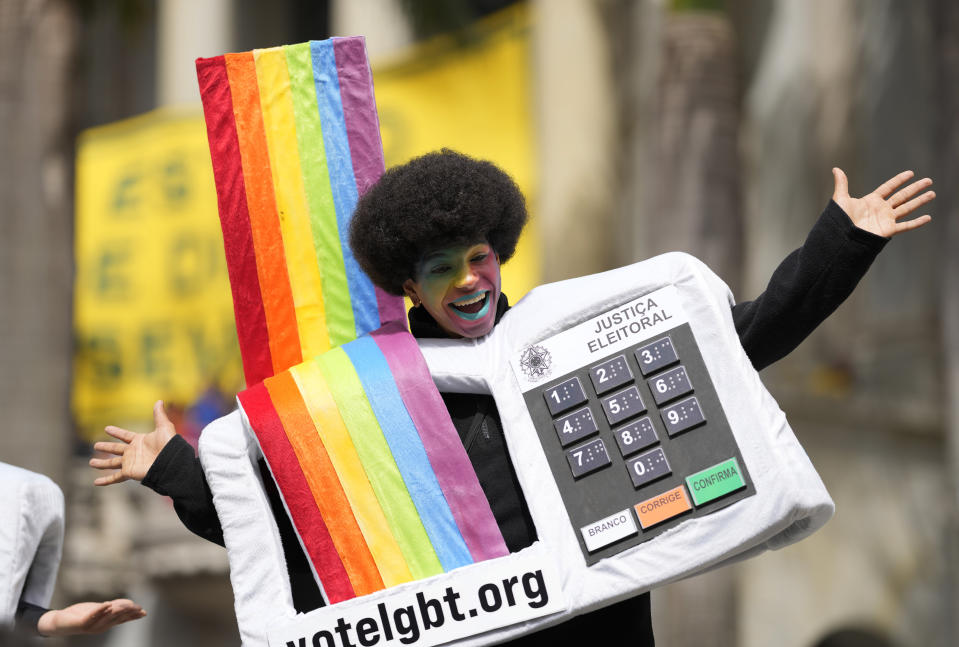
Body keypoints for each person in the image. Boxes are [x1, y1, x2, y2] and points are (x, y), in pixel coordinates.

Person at [90, 149, 934, 645]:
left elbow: (746, 341)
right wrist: (172, 467)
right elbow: (276, 525)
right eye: (440, 267)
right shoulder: (365, 391)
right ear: (407, 287)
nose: (467, 279)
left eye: (479, 256)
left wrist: (841, 242)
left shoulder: (568, 337)